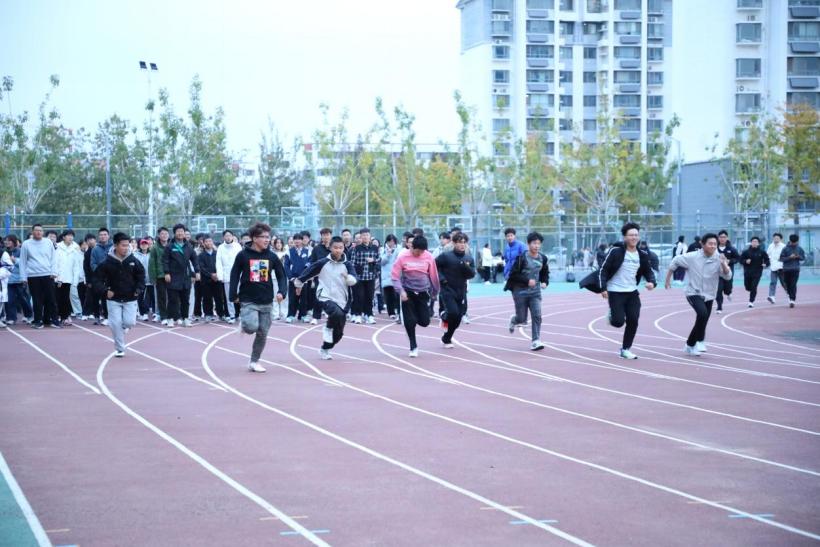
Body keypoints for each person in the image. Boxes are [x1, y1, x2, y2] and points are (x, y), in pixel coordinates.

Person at [229, 222, 287, 372]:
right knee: (251, 327)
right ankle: (245, 324)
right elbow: (234, 274)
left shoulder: (272, 256)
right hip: (248, 299)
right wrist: (232, 294)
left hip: (266, 299)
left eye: (268, 237)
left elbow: (281, 276)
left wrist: (282, 291)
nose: (267, 240)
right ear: (254, 238)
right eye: (264, 237)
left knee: (262, 333)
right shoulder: (243, 255)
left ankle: (254, 361)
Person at [665, 233, 732, 356]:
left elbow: (727, 276)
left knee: (702, 319)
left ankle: (690, 345)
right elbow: (675, 260)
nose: (713, 246)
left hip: (709, 294)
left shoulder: (719, 258)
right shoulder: (692, 256)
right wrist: (668, 279)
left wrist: (723, 264)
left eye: (715, 244)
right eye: (710, 243)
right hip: (693, 292)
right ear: (703, 244)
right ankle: (700, 341)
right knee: (702, 314)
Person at [597, 223, 657, 359]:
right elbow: (603, 270)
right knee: (618, 322)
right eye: (631, 235)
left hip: (632, 292)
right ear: (624, 237)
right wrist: (603, 288)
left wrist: (652, 282)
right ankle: (613, 314)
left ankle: (625, 349)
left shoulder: (642, 255)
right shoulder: (615, 252)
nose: (634, 237)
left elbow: (648, 271)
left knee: (633, 319)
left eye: (636, 235)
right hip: (615, 291)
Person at [294, 236, 357, 360]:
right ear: (330, 248)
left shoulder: (347, 264)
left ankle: (325, 348)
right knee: (336, 312)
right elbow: (308, 272)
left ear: (343, 248)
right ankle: (328, 327)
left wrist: (348, 278)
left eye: (340, 248)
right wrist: (299, 284)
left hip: (342, 299)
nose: (338, 250)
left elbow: (354, 280)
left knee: (338, 334)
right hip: (325, 295)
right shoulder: (323, 263)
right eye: (335, 248)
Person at [93, 232, 145, 358]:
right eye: (123, 245)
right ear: (116, 245)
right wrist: (105, 291)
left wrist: (138, 289)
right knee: (115, 324)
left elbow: (141, 276)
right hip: (113, 299)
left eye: (127, 245)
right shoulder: (107, 262)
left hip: (130, 298)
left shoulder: (133, 261)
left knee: (130, 322)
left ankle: (121, 329)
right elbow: (96, 279)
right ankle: (120, 348)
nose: (126, 248)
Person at [391, 235, 440, 357]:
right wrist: (401, 291)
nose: (419, 254)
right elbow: (395, 277)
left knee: (425, 322)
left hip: (423, 293)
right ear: (412, 247)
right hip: (407, 293)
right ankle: (413, 346)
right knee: (410, 321)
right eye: (417, 251)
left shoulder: (428, 257)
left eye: (422, 251)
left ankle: (415, 317)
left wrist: (435, 292)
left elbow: (434, 276)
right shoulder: (403, 257)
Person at [504, 231, 550, 351]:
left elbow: (545, 273)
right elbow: (513, 275)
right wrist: (527, 281)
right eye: (534, 243)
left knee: (537, 315)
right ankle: (515, 319)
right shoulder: (521, 258)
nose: (536, 246)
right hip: (520, 291)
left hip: (535, 292)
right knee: (522, 319)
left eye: (538, 243)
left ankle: (535, 340)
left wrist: (545, 282)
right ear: (528, 244)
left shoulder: (543, 258)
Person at [435, 232, 476, 348]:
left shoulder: (468, 258)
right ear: (454, 243)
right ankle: (444, 316)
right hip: (447, 289)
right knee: (453, 312)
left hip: (461, 290)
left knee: (458, 318)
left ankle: (446, 338)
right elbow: (435, 266)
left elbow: (472, 274)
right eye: (459, 242)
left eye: (464, 242)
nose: (462, 245)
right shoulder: (446, 256)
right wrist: (442, 279)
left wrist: (466, 266)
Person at [19, 224, 60, 329]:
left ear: (43, 232)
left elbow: (53, 258)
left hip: (48, 274)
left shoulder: (48, 242)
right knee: (37, 300)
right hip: (33, 275)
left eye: (40, 230)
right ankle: (38, 321)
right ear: (32, 232)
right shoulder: (26, 244)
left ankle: (54, 320)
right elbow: (22, 261)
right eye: (36, 230)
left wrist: (54, 272)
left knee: (51, 298)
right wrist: (23, 277)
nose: (38, 232)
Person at [162, 223, 200, 327]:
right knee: (172, 300)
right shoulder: (170, 246)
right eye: (178, 231)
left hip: (185, 277)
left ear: (184, 233)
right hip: (173, 277)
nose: (180, 233)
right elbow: (165, 261)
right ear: (174, 233)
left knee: (185, 300)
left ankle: (185, 319)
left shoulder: (188, 246)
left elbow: (194, 259)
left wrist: (197, 272)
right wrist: (166, 273)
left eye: (182, 231)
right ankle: (170, 318)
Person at [351, 228, 379, 324]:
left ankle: (369, 315)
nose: (365, 237)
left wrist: (373, 260)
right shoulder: (356, 248)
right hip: (360, 277)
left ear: (370, 236)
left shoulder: (375, 248)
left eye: (367, 235)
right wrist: (354, 274)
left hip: (371, 276)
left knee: (370, 297)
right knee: (360, 297)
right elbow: (353, 262)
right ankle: (358, 315)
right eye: (363, 235)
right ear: (361, 237)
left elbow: (379, 260)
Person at [3, 235, 33, 325]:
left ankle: (29, 315)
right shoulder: (4, 252)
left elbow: (25, 264)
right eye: (6, 240)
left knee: (23, 299)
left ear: (14, 242)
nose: (7, 242)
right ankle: (11, 318)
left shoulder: (20, 251)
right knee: (9, 300)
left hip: (20, 279)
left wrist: (15, 260)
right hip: (8, 280)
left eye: (9, 240)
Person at [54, 229, 82, 325]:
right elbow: (55, 262)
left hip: (69, 278)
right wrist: (56, 276)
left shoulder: (75, 248)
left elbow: (77, 265)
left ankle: (65, 317)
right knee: (57, 298)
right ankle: (57, 316)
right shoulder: (57, 246)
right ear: (63, 237)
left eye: (72, 236)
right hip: (58, 278)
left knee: (66, 298)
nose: (70, 237)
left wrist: (75, 280)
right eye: (68, 235)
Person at [216, 229, 242, 324]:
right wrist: (220, 276)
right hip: (226, 275)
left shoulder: (237, 246)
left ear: (232, 236)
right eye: (226, 236)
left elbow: (242, 260)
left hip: (238, 275)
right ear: (223, 237)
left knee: (240, 295)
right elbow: (218, 262)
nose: (228, 237)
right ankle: (232, 315)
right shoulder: (220, 248)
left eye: (229, 235)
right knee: (229, 297)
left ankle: (241, 314)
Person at [198, 235, 227, 321]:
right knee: (207, 298)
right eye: (206, 241)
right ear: (203, 243)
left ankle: (221, 314)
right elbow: (201, 268)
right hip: (206, 280)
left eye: (210, 241)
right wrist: (211, 275)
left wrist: (218, 274)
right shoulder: (201, 255)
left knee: (219, 297)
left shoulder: (217, 253)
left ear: (212, 242)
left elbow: (222, 265)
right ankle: (208, 314)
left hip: (217, 279)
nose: (209, 243)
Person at [284, 232, 311, 323]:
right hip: (293, 279)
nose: (297, 241)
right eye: (295, 239)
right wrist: (291, 278)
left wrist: (304, 277)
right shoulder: (289, 251)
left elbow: (310, 264)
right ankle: (290, 315)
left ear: (302, 241)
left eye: (299, 239)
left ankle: (303, 315)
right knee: (292, 298)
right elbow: (286, 266)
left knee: (304, 298)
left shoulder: (307, 251)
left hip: (304, 279)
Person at [308, 228, 333, 323]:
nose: (326, 237)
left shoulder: (334, 248)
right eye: (324, 235)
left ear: (330, 236)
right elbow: (312, 262)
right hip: (320, 276)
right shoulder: (317, 249)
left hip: (333, 276)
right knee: (318, 296)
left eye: (327, 235)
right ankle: (316, 317)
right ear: (321, 236)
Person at [90, 227, 113, 325]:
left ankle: (108, 317)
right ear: (98, 236)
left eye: (105, 234)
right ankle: (97, 316)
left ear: (108, 236)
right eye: (101, 235)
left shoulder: (113, 248)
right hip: (99, 277)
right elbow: (93, 263)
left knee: (108, 297)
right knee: (97, 297)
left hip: (111, 276)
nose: (103, 236)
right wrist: (100, 272)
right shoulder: (95, 249)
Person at [739, 236, 770, 308]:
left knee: (754, 286)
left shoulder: (762, 252)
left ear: (758, 243)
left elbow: (767, 260)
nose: (754, 243)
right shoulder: (746, 252)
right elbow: (740, 260)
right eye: (753, 241)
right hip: (747, 272)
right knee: (747, 287)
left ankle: (751, 301)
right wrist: (745, 261)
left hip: (757, 272)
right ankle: (752, 291)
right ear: (751, 243)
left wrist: (765, 264)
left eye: (756, 242)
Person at [714, 230, 740, 314]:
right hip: (717, 273)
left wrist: (730, 261)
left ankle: (729, 293)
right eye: (721, 237)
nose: (722, 239)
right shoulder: (714, 248)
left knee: (727, 289)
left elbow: (737, 258)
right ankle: (719, 307)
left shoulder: (731, 249)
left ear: (727, 238)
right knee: (718, 290)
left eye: (724, 237)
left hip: (728, 272)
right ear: (718, 238)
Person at [149, 227, 170, 324]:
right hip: (160, 276)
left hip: (172, 275)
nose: (164, 235)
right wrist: (153, 278)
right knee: (162, 297)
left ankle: (172, 315)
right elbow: (152, 264)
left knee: (173, 296)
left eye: (166, 234)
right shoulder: (154, 248)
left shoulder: (172, 246)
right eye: (162, 234)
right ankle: (163, 316)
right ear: (158, 235)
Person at [780, 234, 806, 308]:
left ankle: (792, 300)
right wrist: (789, 257)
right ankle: (790, 296)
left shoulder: (800, 249)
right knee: (787, 285)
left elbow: (803, 258)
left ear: (797, 241)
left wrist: (798, 257)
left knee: (793, 284)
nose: (794, 244)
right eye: (792, 242)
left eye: (795, 242)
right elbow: (781, 259)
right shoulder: (785, 248)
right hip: (786, 269)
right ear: (790, 241)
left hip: (795, 269)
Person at [380, 234, 400, 321]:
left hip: (396, 274)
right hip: (386, 275)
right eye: (389, 241)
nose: (391, 243)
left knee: (396, 294)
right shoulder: (383, 250)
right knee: (388, 295)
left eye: (392, 241)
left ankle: (398, 310)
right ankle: (391, 312)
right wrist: (388, 254)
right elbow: (382, 262)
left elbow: (400, 260)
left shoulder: (398, 249)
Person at [134, 238, 155, 320]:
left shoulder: (152, 254)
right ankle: (142, 313)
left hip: (150, 279)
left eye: (145, 244)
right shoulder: (136, 255)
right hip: (140, 280)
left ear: (148, 245)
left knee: (151, 297)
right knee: (140, 297)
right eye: (142, 244)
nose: (144, 245)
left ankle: (152, 312)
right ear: (140, 245)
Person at [766, 232, 786, 304]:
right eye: (774, 238)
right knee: (773, 282)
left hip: (782, 268)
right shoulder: (770, 246)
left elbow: (786, 257)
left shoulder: (784, 246)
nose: (776, 239)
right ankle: (771, 296)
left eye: (777, 238)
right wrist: (766, 262)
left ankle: (789, 294)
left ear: (780, 239)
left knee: (784, 283)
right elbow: (767, 255)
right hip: (773, 268)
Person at [272, 237, 289, 320]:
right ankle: (275, 314)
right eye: (277, 243)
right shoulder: (272, 254)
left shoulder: (286, 253)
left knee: (284, 295)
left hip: (284, 277)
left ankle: (284, 313)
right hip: (274, 277)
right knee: (275, 295)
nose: (278, 244)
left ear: (282, 244)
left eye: (280, 243)